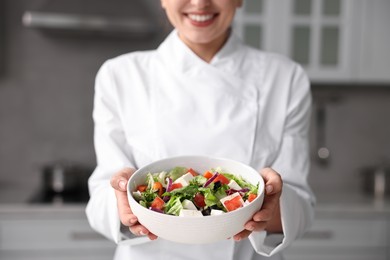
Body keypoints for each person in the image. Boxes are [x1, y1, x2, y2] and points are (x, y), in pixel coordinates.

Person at [86, 0, 315, 259]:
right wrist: (123, 199)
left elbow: (300, 207)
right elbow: (100, 202)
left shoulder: (285, 78)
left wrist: (271, 205)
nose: (199, 2)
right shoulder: (120, 76)